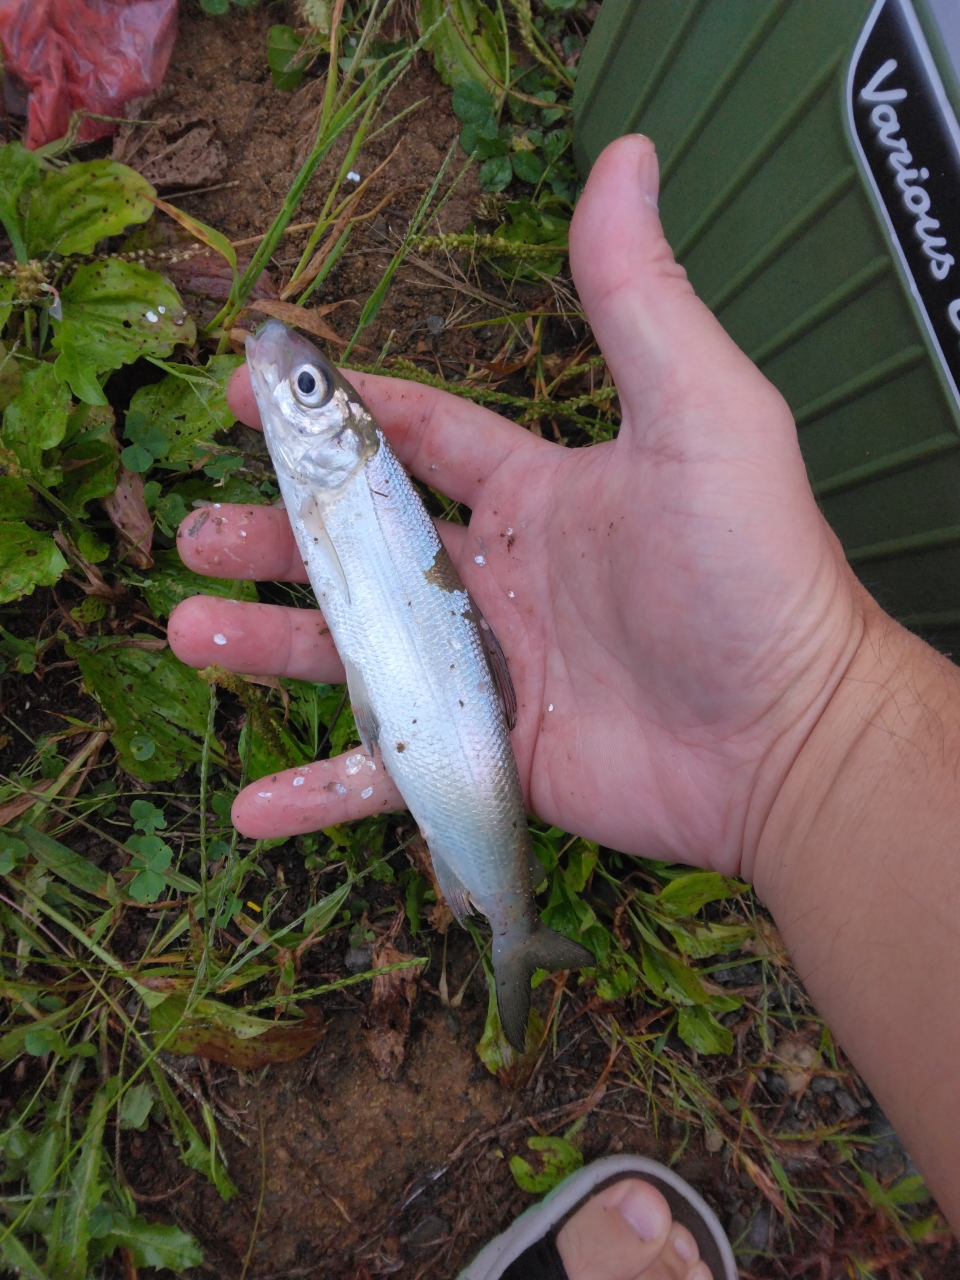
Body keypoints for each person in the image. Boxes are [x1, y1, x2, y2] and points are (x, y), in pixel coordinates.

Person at [168, 135, 960, 1278]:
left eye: (306, 391)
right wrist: (815, 719)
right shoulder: (336, 473)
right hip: (453, 727)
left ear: (330, 431)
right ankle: (512, 941)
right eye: (305, 388)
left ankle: (512, 940)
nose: (294, 388)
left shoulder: (348, 471)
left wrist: (814, 705)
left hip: (459, 745)